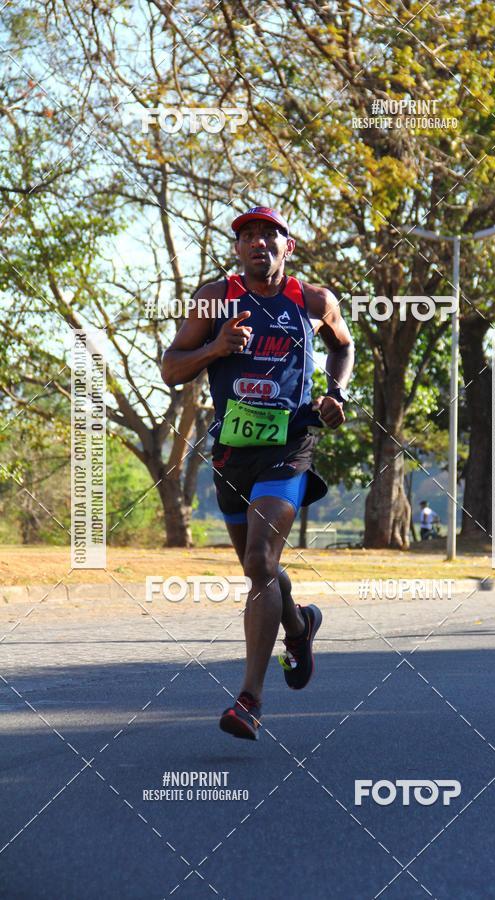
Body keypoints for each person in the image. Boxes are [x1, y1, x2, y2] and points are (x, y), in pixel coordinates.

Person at [161, 206, 354, 740]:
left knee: (261, 558)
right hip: (230, 453)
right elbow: (171, 368)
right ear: (237, 249)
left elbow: (343, 346)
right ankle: (300, 624)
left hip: (289, 443)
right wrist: (217, 347)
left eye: (270, 235)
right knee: (258, 571)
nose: (258, 244)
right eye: (248, 236)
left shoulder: (312, 301)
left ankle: (249, 699)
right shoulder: (213, 299)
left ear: (287, 248)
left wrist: (335, 393)